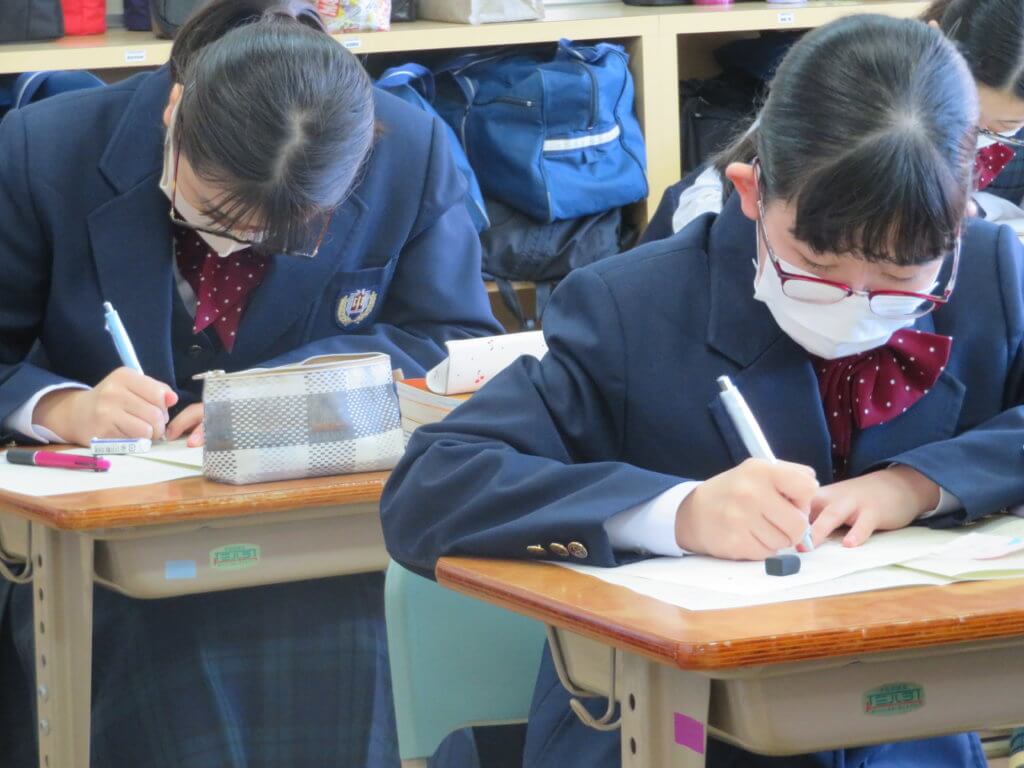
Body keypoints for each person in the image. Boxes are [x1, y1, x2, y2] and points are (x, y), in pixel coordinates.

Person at [382, 14, 1023, 767]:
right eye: (817, 266)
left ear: (961, 220)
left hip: (908, 729)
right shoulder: (631, 306)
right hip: (671, 733)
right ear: (752, 192)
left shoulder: (989, 275)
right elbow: (431, 488)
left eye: (899, 277)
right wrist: (676, 513)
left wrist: (915, 485)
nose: (856, 301)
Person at [0, 1, 501, 765]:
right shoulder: (45, 150)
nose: (235, 247)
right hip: (111, 549)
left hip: (324, 536)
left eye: (276, 234)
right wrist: (64, 406)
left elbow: (454, 345)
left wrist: (281, 402)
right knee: (153, 648)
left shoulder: (412, 149)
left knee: (375, 639)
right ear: (174, 111)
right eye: (212, 212)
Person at [643, 0, 1024, 244]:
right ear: (936, 43)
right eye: (970, 116)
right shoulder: (853, 81)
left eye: (1006, 125)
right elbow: (724, 207)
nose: (980, 135)